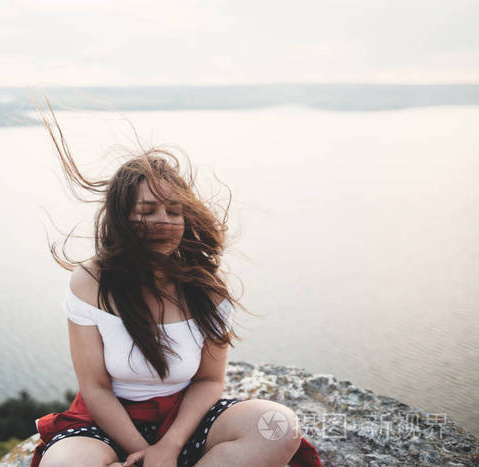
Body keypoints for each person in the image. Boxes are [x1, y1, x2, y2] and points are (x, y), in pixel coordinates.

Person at [31, 103, 322, 467]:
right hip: (107, 422)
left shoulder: (208, 289)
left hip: (186, 419)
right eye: (148, 211)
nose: (164, 221)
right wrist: (143, 452)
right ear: (122, 217)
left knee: (278, 427)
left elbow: (208, 382)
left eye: (174, 211)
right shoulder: (91, 282)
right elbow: (96, 388)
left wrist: (168, 448)